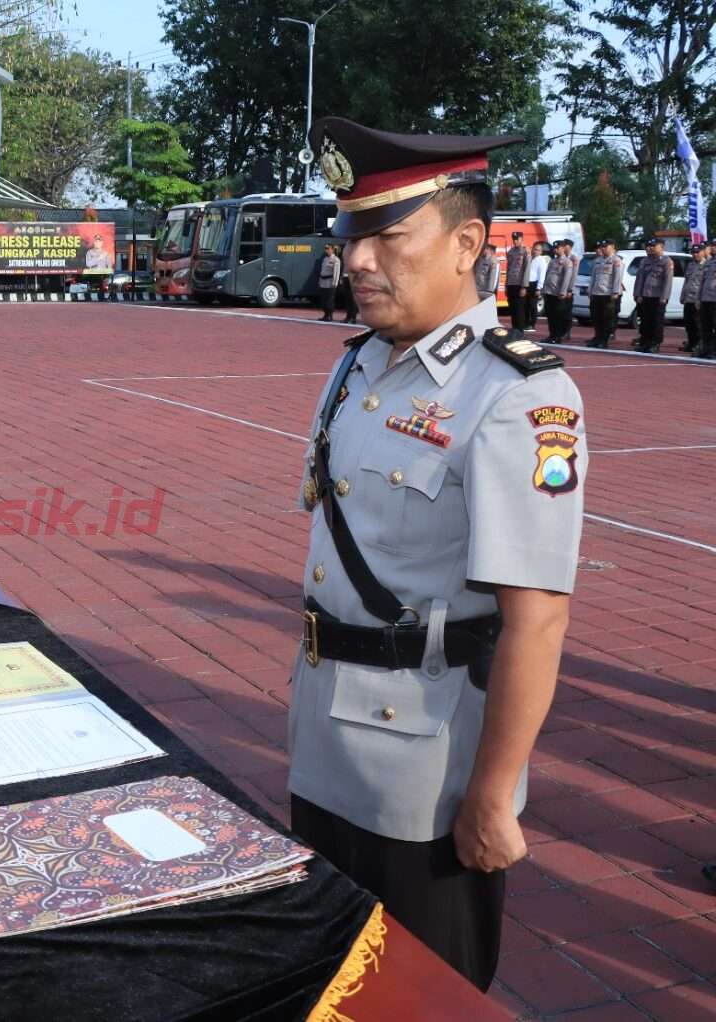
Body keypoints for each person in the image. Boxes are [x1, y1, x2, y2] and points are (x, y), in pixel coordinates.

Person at [293, 117, 585, 992]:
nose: (360, 260)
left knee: (423, 996)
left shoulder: (518, 396)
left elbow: (537, 620)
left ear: (466, 243)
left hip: (424, 774)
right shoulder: (354, 370)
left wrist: (493, 796)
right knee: (327, 984)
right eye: (352, 236)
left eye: (389, 235)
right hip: (322, 741)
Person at [631, 238, 674, 353]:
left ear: (661, 247)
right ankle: (645, 342)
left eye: (653, 246)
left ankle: (655, 343)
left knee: (657, 322)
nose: (650, 248)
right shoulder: (645, 261)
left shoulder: (666, 261)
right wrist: (637, 294)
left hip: (658, 297)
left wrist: (664, 297)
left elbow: (668, 281)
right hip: (645, 296)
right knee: (645, 321)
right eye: (649, 246)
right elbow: (640, 279)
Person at [588, 240, 624, 348]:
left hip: (608, 294)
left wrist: (615, 292)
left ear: (612, 247)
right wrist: (590, 290)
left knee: (606, 319)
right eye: (602, 247)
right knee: (596, 318)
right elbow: (593, 277)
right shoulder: (598, 260)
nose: (603, 249)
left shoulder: (616, 260)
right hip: (597, 293)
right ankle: (597, 338)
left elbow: (617, 278)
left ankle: (604, 340)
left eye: (605, 246)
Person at [541, 238, 578, 344]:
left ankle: (557, 336)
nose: (555, 250)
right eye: (554, 248)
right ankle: (551, 335)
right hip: (549, 292)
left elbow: (567, 278)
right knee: (551, 316)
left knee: (558, 316)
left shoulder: (567, 262)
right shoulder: (552, 261)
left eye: (557, 248)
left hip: (558, 293)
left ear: (562, 248)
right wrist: (544, 289)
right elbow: (548, 276)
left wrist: (563, 292)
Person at [679, 242, 706, 353]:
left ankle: (699, 345)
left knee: (698, 325)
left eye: (698, 252)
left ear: (703, 252)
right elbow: (686, 282)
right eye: (693, 252)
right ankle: (692, 343)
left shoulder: (706, 265)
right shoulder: (690, 265)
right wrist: (682, 295)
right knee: (688, 323)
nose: (695, 255)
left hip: (698, 299)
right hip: (688, 299)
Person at [503, 230, 529, 332]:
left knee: (519, 309)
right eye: (513, 239)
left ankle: (520, 330)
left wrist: (524, 286)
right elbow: (508, 268)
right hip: (511, 283)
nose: (515, 241)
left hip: (520, 283)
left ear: (521, 239)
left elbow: (526, 269)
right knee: (512, 308)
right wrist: (506, 284)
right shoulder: (511, 252)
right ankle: (514, 329)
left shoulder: (525, 252)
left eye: (517, 239)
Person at [525, 241, 548, 331]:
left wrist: (539, 288)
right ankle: (526, 323)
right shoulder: (530, 258)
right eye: (534, 249)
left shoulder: (541, 260)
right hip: (527, 283)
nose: (535, 251)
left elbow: (541, 275)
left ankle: (532, 324)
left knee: (532, 305)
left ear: (541, 252)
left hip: (535, 284)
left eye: (538, 250)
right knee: (526, 305)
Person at [700, 238, 716, 359]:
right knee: (706, 326)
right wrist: (699, 298)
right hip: (706, 299)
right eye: (713, 245)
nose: (713, 247)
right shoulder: (708, 263)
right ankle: (707, 349)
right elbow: (702, 282)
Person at [319, 243, 341, 320]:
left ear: (332, 249)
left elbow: (336, 272)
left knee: (329, 300)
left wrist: (335, 283)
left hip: (330, 282)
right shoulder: (325, 259)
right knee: (324, 300)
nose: (326, 250)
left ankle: (330, 315)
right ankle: (325, 314)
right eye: (325, 248)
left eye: (328, 248)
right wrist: (320, 281)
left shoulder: (336, 259)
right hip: (323, 282)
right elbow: (322, 271)